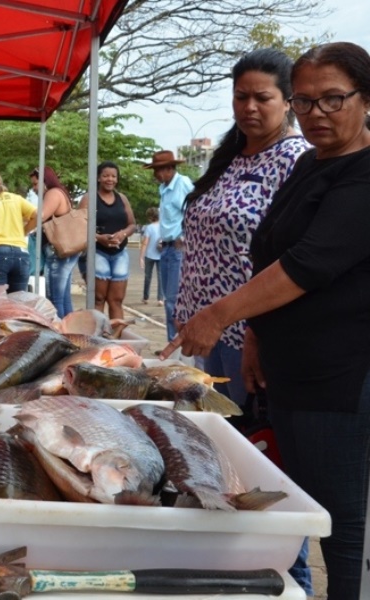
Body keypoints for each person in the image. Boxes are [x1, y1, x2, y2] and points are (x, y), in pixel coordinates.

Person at [162, 41, 370, 600]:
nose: (316, 114)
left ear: (365, 100)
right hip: (280, 362)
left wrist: (222, 314)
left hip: (337, 373)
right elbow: (270, 248)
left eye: (333, 100)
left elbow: (307, 264)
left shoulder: (362, 173)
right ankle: (280, 586)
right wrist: (253, 334)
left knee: (337, 516)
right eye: (305, 102)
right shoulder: (309, 163)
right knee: (278, 488)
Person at [176, 48, 310, 412]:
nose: (249, 106)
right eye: (241, 96)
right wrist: (188, 310)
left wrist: (258, 331)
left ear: (288, 103)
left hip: (249, 333)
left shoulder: (297, 161)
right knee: (219, 429)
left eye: (262, 98)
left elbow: (295, 257)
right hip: (207, 330)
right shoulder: (230, 158)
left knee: (249, 434)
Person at [143, 150, 193, 341]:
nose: (155, 175)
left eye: (158, 170)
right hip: (167, 246)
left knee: (173, 299)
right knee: (168, 299)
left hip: (178, 247)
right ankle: (173, 340)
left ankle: (176, 342)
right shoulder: (164, 188)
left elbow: (193, 211)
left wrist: (184, 236)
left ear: (169, 169)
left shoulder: (182, 185)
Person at [77, 161, 136, 319]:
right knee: (98, 298)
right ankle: (97, 336)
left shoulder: (122, 198)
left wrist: (122, 234)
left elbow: (132, 225)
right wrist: (98, 238)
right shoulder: (89, 198)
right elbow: (78, 225)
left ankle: (116, 338)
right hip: (98, 252)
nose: (110, 179)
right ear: (98, 178)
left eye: (113, 176)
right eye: (106, 176)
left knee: (116, 300)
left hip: (120, 253)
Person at [29, 166, 78, 318]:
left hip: (56, 251)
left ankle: (61, 336)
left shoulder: (53, 193)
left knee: (54, 299)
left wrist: (22, 230)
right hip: (65, 250)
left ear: (45, 181)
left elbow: (40, 217)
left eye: (36, 184)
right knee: (63, 298)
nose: (34, 189)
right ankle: (71, 333)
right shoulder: (60, 192)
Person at [139, 207, 163, 306]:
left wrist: (141, 257)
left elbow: (145, 243)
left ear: (150, 217)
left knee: (147, 276)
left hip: (149, 255)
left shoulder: (149, 228)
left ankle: (145, 297)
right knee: (161, 277)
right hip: (161, 255)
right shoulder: (163, 226)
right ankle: (160, 299)